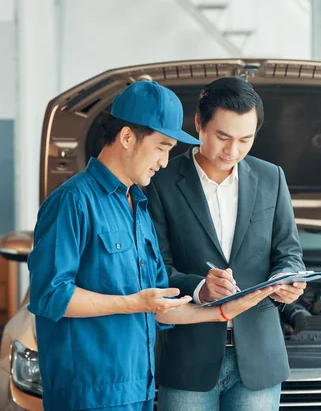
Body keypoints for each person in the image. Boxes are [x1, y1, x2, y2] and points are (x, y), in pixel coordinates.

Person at [27, 81, 281, 411]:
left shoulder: (139, 207)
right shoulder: (72, 202)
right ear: (128, 137)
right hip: (89, 393)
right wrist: (134, 303)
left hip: (140, 389)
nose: (164, 161)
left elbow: (160, 304)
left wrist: (222, 311)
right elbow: (49, 294)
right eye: (161, 147)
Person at [147, 77, 306, 411]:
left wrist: (289, 278)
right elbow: (155, 268)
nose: (233, 151)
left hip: (259, 357)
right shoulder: (159, 181)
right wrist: (201, 288)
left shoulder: (271, 178)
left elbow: (288, 253)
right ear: (199, 124)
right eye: (222, 136)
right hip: (186, 357)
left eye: (245, 139)